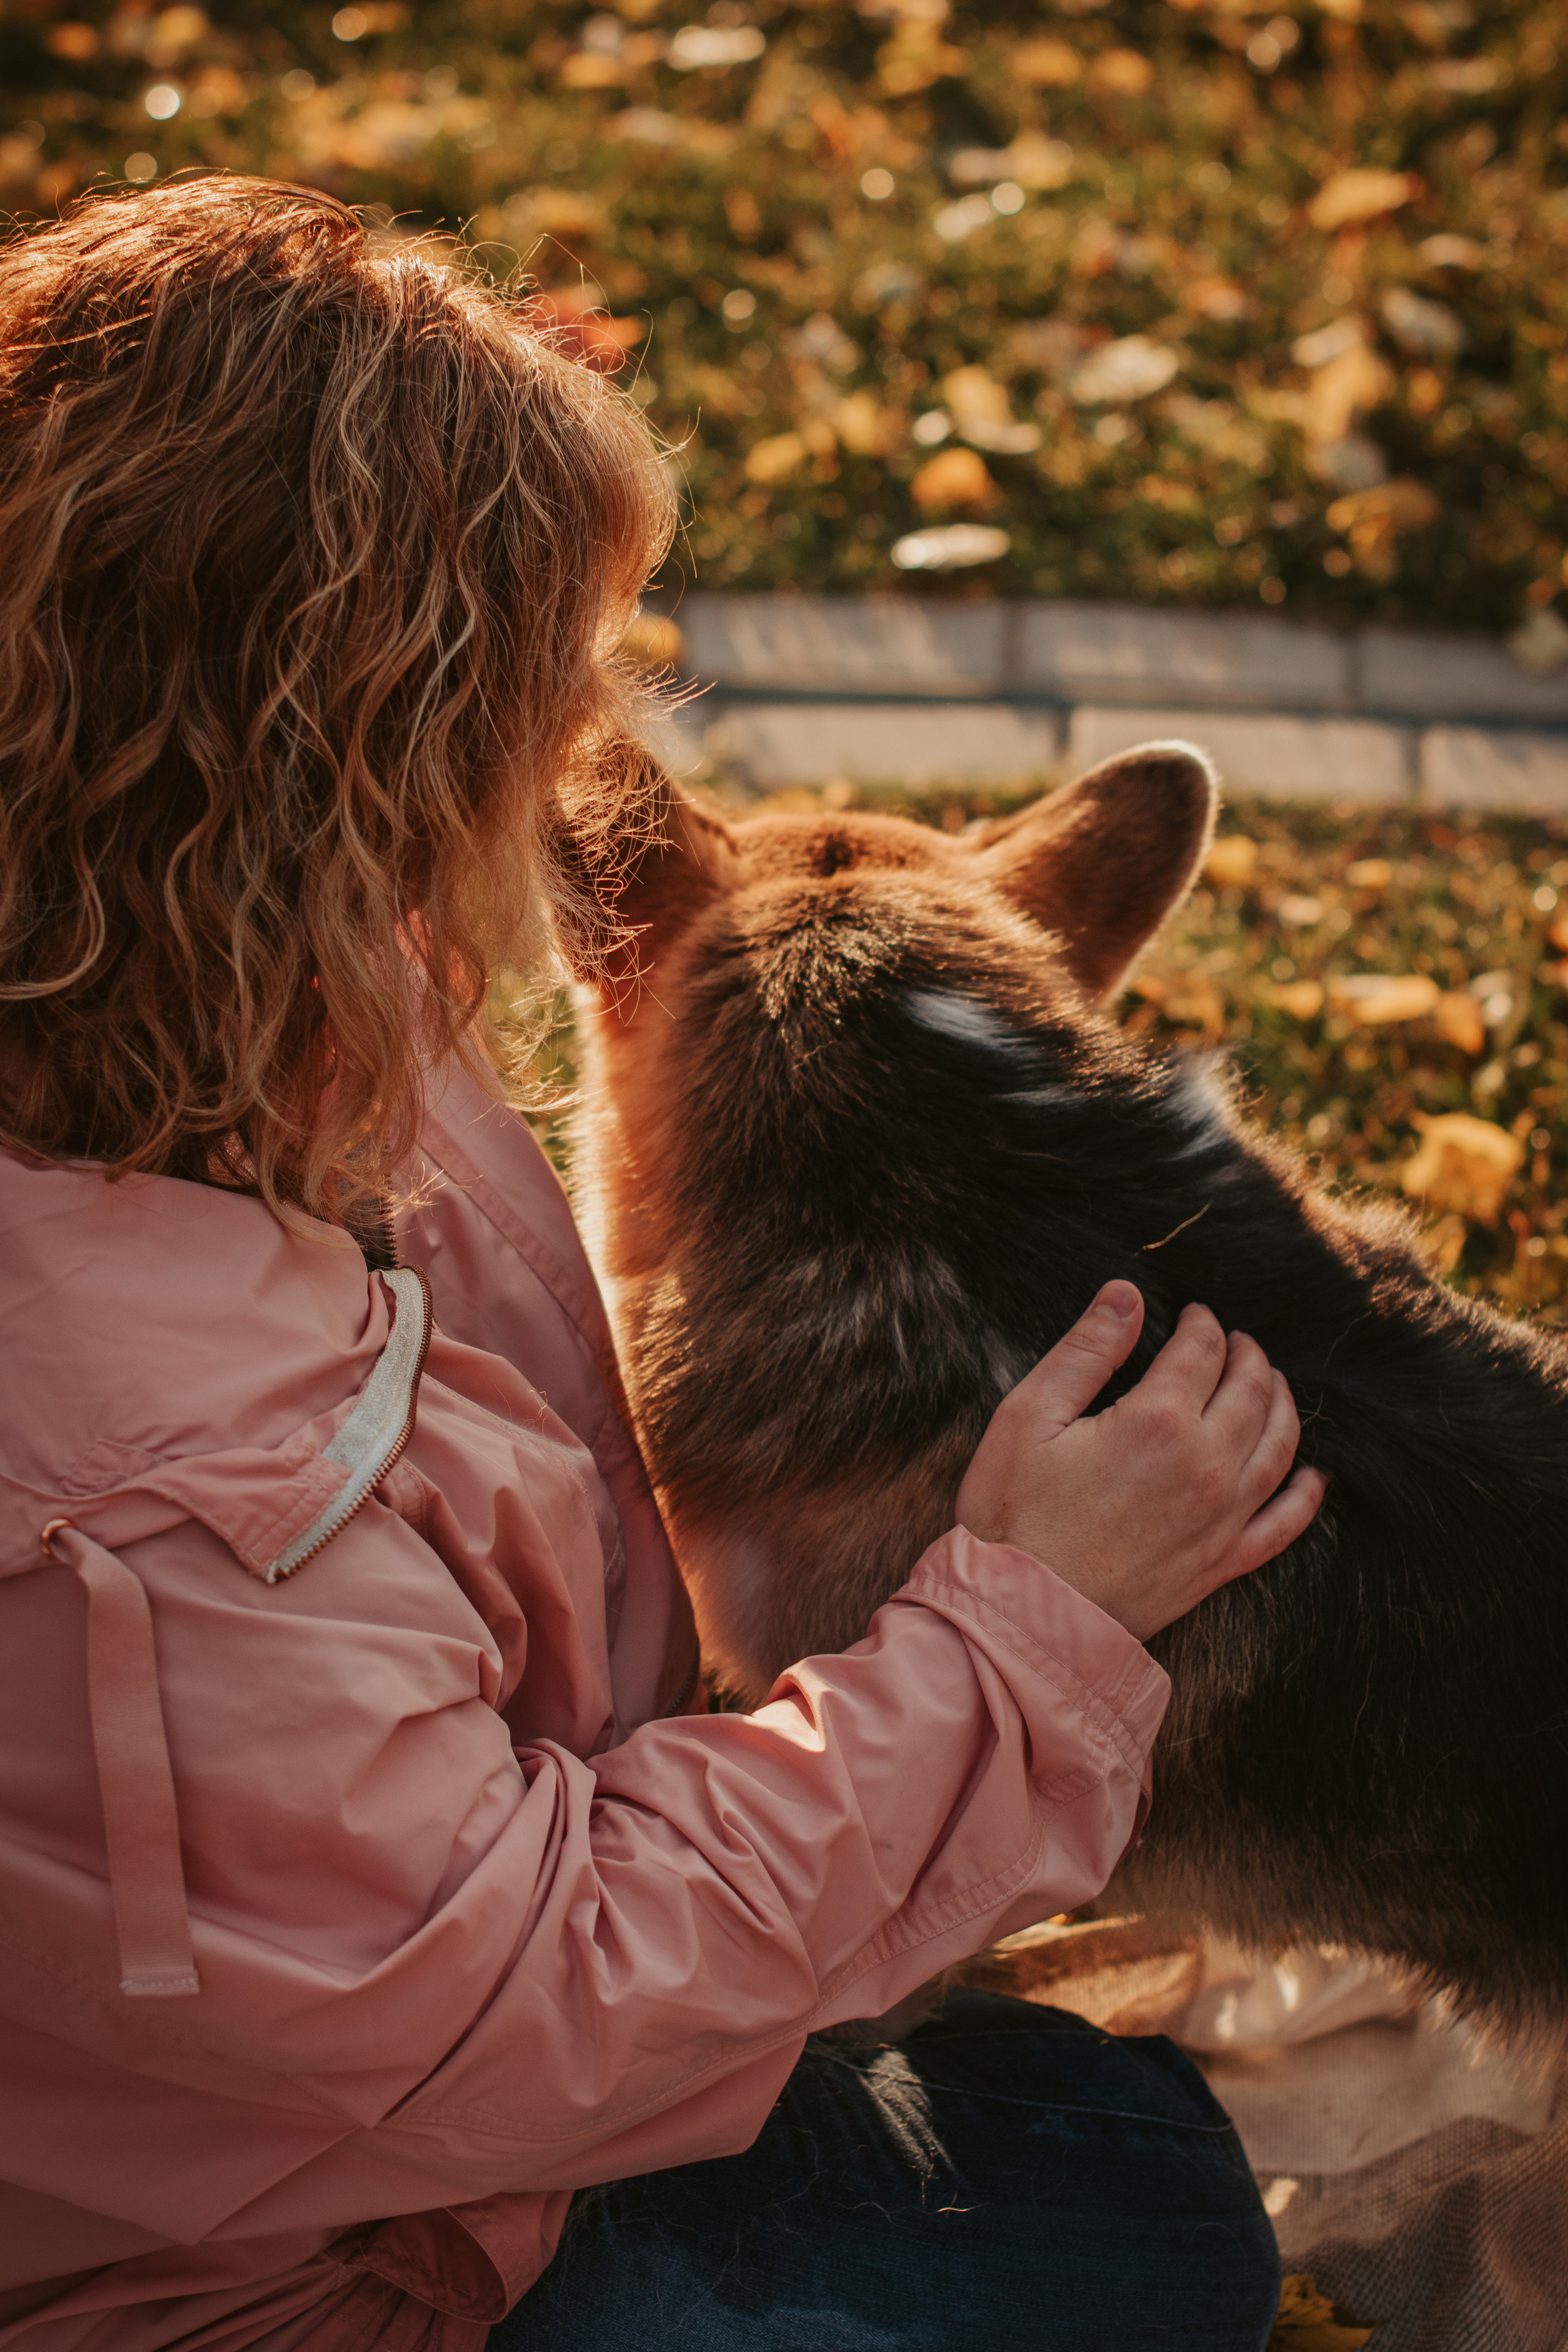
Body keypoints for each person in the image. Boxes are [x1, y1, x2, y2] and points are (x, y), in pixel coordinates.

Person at [0, 180, 1325, 2352]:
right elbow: (532, 2005)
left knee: (1106, 2143)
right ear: (344, 761)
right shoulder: (144, 1525)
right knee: (1156, 2234)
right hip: (255, 2278)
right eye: (556, 675)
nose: (593, 737)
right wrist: (1030, 1637)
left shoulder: (224, 1005)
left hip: (308, 2072)